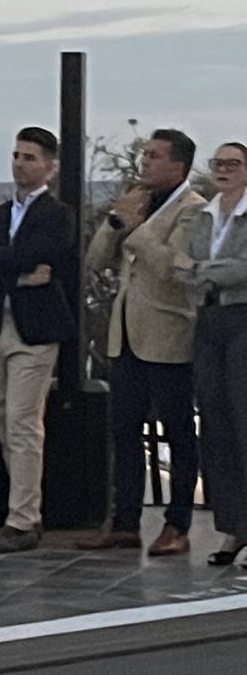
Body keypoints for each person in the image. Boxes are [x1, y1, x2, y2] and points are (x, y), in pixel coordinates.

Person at [78, 129, 206, 556]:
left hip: (168, 335)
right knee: (124, 430)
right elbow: (97, 259)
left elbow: (173, 268)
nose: (144, 161)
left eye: (154, 155)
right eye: (145, 154)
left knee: (178, 431)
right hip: (127, 337)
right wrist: (116, 221)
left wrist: (136, 228)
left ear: (178, 165)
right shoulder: (140, 202)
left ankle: (177, 523)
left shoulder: (192, 209)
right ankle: (124, 522)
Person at [0, 127, 77, 553]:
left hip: (35, 330)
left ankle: (22, 520)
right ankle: (25, 508)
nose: (20, 164)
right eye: (16, 155)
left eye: (29, 157)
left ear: (49, 166)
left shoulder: (57, 214)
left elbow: (44, 255)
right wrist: (17, 275)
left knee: (23, 421)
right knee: (1, 420)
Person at [174, 142, 247, 566]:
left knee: (244, 421)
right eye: (218, 163)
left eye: (232, 164)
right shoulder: (203, 215)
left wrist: (201, 271)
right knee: (216, 427)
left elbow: (242, 268)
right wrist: (203, 273)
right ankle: (233, 528)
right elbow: (179, 270)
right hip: (208, 320)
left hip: (243, 319)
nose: (223, 170)